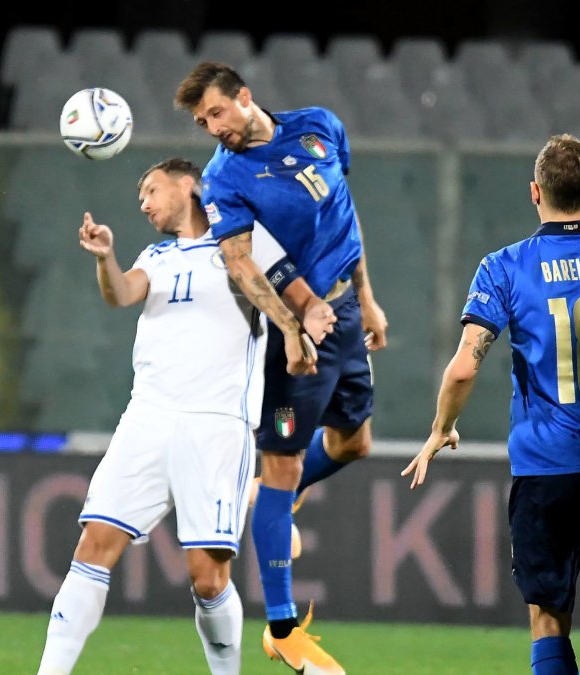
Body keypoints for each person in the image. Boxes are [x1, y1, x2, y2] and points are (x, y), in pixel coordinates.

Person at [404, 134, 580, 675]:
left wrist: (441, 427)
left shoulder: (505, 268)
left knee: (548, 616)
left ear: (535, 193)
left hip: (547, 468)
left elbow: (463, 365)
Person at [174, 61, 389, 674]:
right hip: (298, 332)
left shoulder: (320, 127)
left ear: (244, 97)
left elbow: (344, 213)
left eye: (216, 112)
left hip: (345, 313)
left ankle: (272, 497)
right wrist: (291, 327)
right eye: (201, 121)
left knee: (354, 444)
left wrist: (367, 297)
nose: (212, 128)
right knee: (283, 464)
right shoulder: (223, 178)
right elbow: (241, 265)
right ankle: (282, 627)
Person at [37, 158, 267, 675]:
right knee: (94, 543)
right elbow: (122, 293)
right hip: (147, 417)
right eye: (140, 195)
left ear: (188, 186)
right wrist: (106, 258)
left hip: (215, 422)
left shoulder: (244, 248)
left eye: (151, 190)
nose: (143, 203)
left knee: (207, 579)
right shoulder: (157, 255)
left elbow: (286, 297)